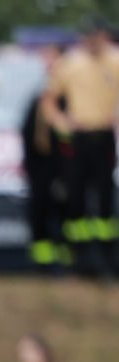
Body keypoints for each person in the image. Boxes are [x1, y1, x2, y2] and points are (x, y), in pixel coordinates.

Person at [42, 19, 119, 281]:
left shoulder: (115, 61)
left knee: (105, 198)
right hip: (78, 137)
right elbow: (49, 100)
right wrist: (63, 123)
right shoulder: (71, 63)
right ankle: (80, 257)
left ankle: (108, 258)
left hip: (104, 135)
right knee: (75, 196)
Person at [21, 42, 70, 276]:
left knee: (66, 210)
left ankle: (70, 261)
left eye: (54, 58)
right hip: (39, 166)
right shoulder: (38, 95)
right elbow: (28, 133)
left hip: (64, 166)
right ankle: (42, 263)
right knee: (39, 211)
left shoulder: (70, 96)